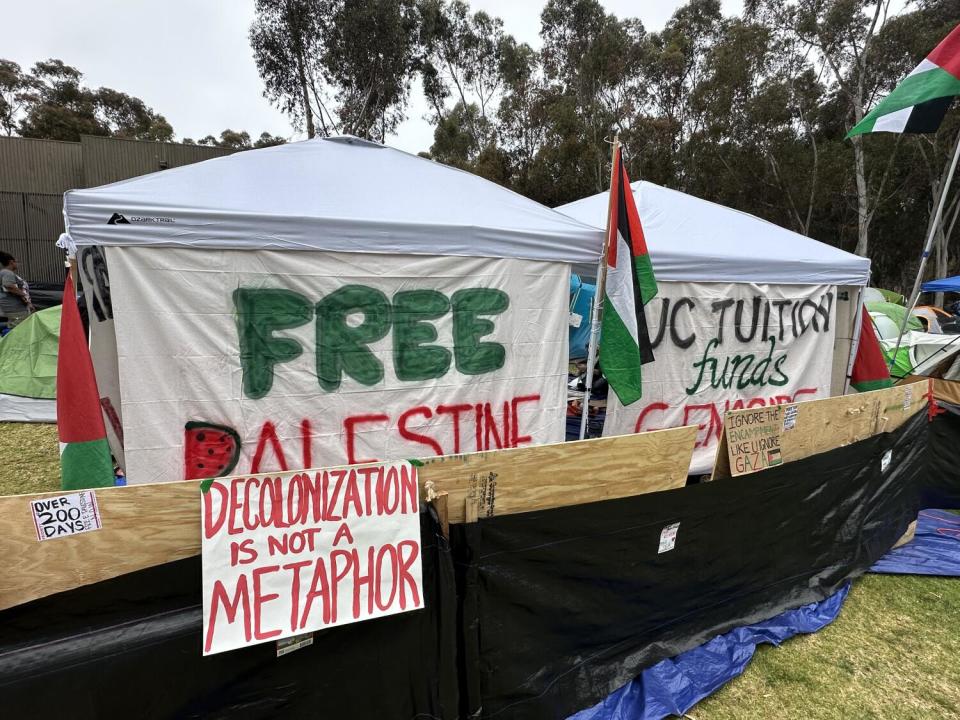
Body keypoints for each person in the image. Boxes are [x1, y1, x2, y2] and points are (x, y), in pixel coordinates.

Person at [0, 251, 34, 330]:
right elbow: (9, 286)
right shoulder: (7, 273)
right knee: (19, 327)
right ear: (11, 262)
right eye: (17, 262)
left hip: (11, 306)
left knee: (14, 325)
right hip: (15, 307)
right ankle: (8, 340)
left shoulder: (4, 272)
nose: (18, 264)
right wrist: (24, 296)